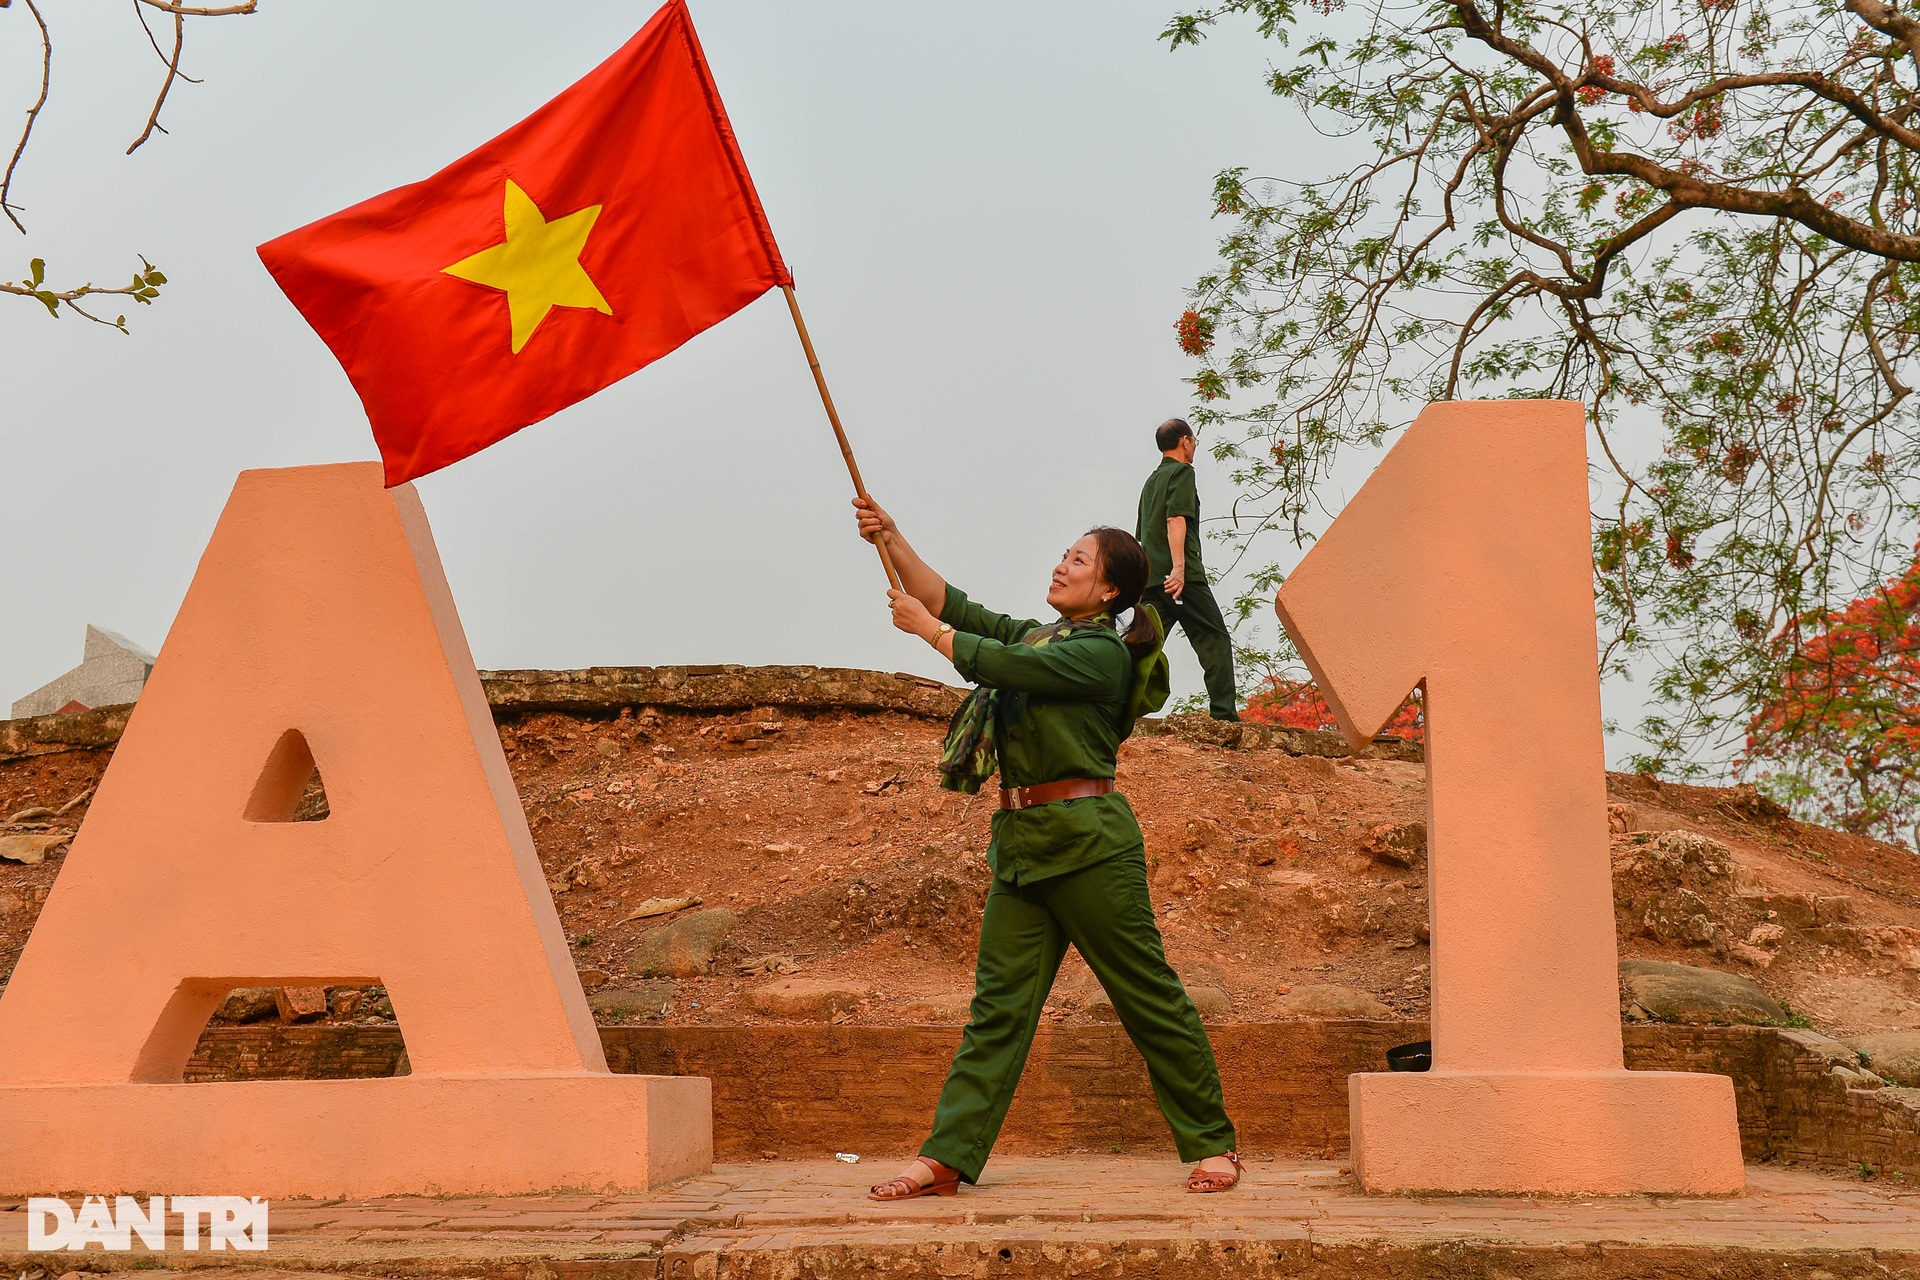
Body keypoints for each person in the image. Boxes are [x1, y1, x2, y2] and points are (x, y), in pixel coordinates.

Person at [851, 494, 1241, 1200]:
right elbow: (961, 608)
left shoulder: (1098, 654)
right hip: (1023, 846)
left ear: (1110, 588)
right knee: (997, 1010)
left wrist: (928, 634)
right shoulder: (1041, 636)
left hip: (1090, 846)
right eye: (1065, 555)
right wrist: (895, 536)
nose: (1062, 566)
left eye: (1079, 561)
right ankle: (946, 1155)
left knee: (1145, 995)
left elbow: (989, 657)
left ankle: (1212, 1144)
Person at [1136, 418, 1240, 721]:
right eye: (1194, 441)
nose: (1194, 447)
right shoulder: (1181, 473)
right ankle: (1224, 715)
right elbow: (1175, 519)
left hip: (1151, 578)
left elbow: (1142, 533)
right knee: (1214, 638)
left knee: (1144, 645)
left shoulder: (1151, 482)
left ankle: (1118, 710)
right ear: (1185, 441)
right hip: (1181, 578)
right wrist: (1179, 569)